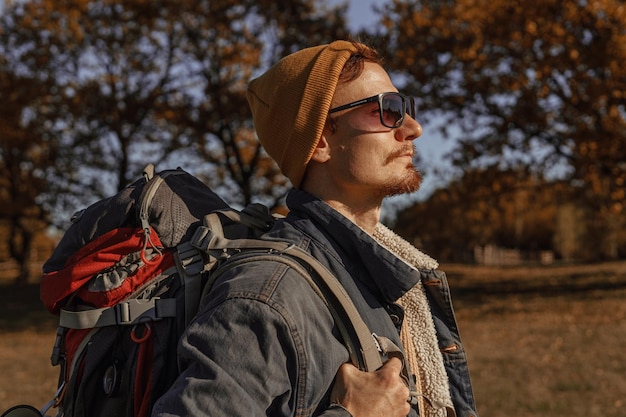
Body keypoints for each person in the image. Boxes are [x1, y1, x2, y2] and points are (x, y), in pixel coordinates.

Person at [152, 40, 478, 417]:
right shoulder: (265, 294)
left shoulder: (378, 277)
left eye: (405, 108)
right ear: (321, 140)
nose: (413, 128)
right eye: (386, 111)